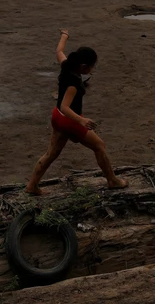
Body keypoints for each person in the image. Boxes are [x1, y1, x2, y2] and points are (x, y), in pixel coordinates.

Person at [25, 30, 128, 195]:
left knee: (51, 154)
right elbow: (67, 106)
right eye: (92, 66)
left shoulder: (66, 65)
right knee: (99, 146)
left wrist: (64, 36)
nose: (93, 69)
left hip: (57, 116)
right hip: (69, 120)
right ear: (83, 66)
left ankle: (31, 186)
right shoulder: (73, 83)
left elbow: (59, 51)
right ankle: (113, 181)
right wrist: (81, 120)